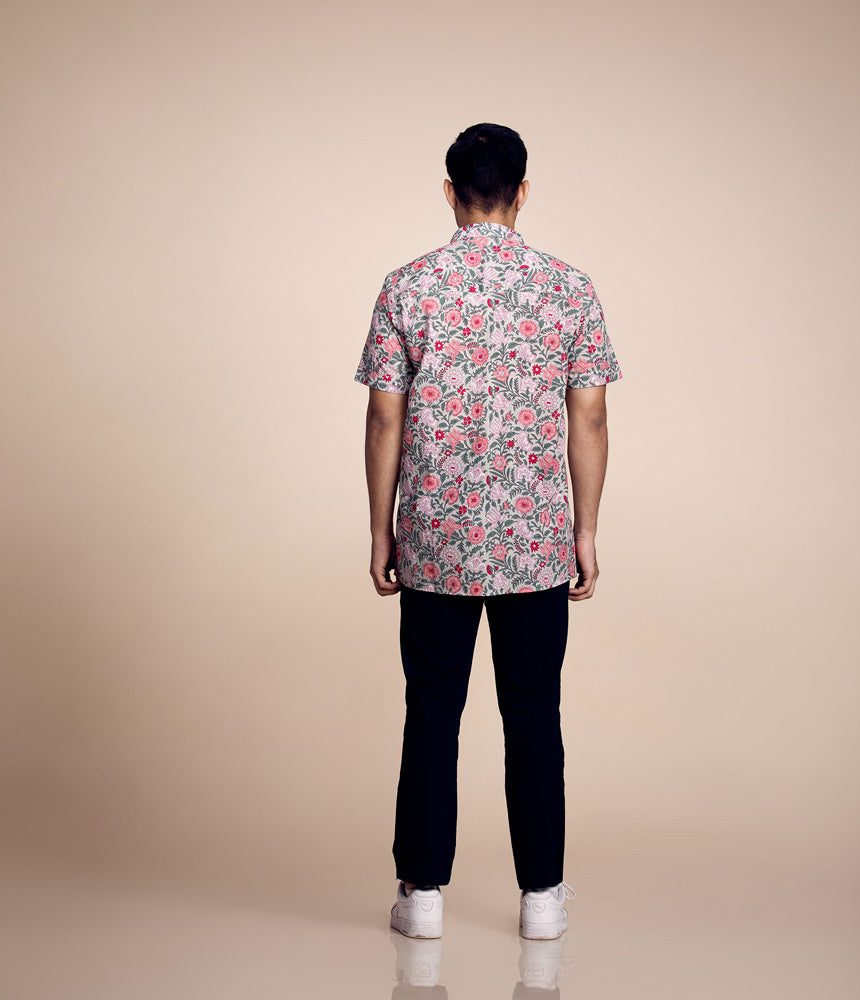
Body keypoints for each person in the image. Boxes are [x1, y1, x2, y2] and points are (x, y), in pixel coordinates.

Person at [353, 123, 622, 940]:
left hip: (434, 535)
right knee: (533, 711)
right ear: (522, 192)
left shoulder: (408, 287)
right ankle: (541, 897)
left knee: (432, 709)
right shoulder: (568, 288)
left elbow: (384, 417)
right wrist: (585, 531)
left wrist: (380, 530)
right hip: (534, 539)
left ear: (450, 192)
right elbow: (590, 415)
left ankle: (422, 897)